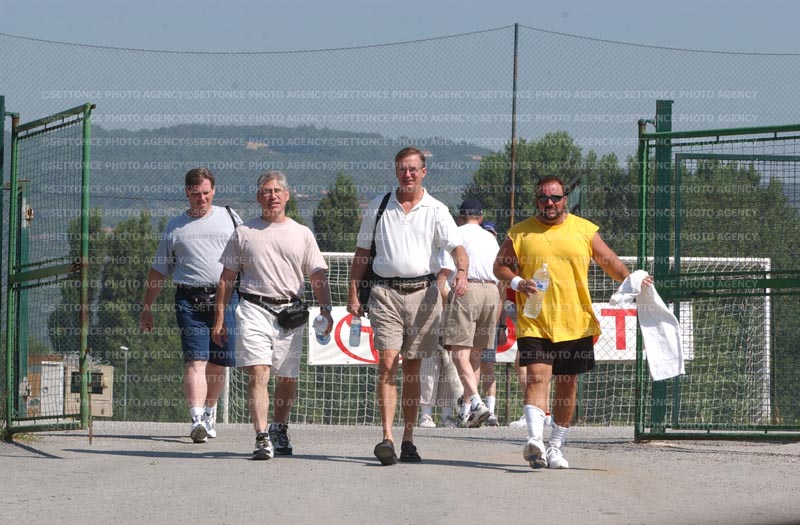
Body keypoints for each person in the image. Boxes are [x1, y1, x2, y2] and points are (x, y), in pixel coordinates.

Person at [494, 175, 651, 469]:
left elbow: (609, 261)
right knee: (537, 377)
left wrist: (632, 281)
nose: (549, 203)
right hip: (535, 320)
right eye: (543, 198)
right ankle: (534, 442)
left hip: (575, 322)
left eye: (555, 197)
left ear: (565, 200)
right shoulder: (519, 233)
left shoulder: (584, 229)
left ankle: (555, 446)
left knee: (567, 384)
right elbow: (499, 266)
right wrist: (517, 282)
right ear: (536, 201)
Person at [348, 147, 469, 466]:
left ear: (423, 172)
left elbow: (457, 247)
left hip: (424, 295)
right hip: (384, 293)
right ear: (396, 171)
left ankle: (409, 438)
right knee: (387, 363)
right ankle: (387, 438)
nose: (408, 174)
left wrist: (462, 272)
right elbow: (362, 253)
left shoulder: (437, 209)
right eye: (402, 168)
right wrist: (353, 292)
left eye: (413, 169)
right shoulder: (379, 206)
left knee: (413, 369)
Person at [211, 170, 333, 461]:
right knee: (259, 371)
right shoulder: (244, 233)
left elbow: (318, 276)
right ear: (258, 197)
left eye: (277, 191)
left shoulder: (302, 233)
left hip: (290, 313)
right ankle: (262, 436)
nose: (272, 196)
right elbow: (227, 278)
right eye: (267, 191)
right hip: (253, 309)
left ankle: (279, 427)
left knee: (287, 378)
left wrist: (326, 310)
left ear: (287, 196)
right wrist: (219, 318)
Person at [140, 167, 241, 443]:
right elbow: (159, 270)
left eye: (206, 193)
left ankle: (209, 412)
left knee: (218, 363)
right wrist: (147, 307)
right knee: (196, 360)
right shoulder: (175, 227)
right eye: (196, 193)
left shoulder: (230, 218)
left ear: (214, 191)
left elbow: (248, 253)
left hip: (226, 299)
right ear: (187, 192)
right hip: (189, 301)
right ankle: (196, 420)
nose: (202, 198)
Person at [441, 199, 501, 428]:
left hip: (468, 289)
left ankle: (476, 403)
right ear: (481, 217)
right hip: (492, 291)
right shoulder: (490, 238)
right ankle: (467, 411)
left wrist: (448, 303)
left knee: (459, 353)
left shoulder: (456, 234)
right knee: (475, 355)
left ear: (460, 217)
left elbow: (445, 271)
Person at [418, 268, 463, 429]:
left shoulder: (461, 269)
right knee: (429, 369)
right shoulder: (436, 266)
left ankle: (447, 415)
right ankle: (426, 413)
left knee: (450, 371)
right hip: (431, 322)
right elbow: (441, 291)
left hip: (453, 324)